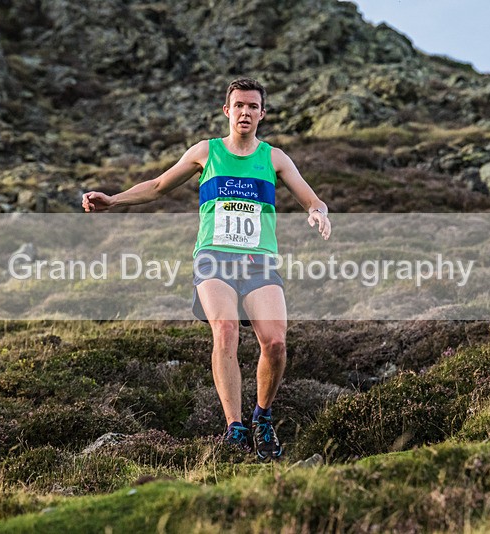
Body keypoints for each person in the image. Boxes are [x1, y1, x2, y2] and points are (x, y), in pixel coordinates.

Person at [83, 78, 331, 460]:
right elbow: (159, 185)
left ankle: (261, 418)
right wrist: (113, 200)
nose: (245, 112)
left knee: (276, 344)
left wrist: (318, 214)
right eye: (239, 106)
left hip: (259, 260)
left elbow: (311, 198)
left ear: (262, 113)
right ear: (226, 111)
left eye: (253, 106)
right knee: (226, 329)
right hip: (213, 258)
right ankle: (235, 429)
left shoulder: (276, 158)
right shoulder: (206, 152)